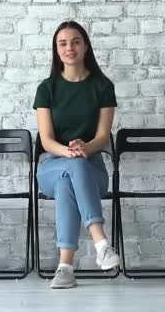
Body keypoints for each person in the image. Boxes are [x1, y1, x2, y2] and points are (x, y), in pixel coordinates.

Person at [33, 20, 120, 289]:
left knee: (70, 179)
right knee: (71, 169)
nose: (69, 47)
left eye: (75, 41)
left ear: (85, 46)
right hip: (52, 163)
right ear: (56, 50)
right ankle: (101, 243)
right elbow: (47, 140)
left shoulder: (103, 86)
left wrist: (84, 149)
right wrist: (69, 152)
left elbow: (103, 137)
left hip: (91, 165)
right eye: (63, 43)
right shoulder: (46, 88)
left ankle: (65, 267)